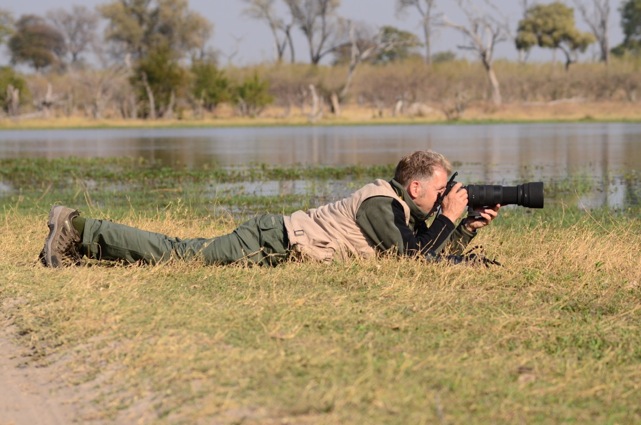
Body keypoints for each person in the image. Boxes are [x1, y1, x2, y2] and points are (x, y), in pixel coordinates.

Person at [39, 150, 500, 268]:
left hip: (275, 240)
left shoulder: (402, 210)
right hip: (271, 241)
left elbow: (424, 250)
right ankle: (80, 228)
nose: (446, 196)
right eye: (441, 189)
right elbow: (414, 258)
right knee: (180, 255)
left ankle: (84, 247)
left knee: (181, 253)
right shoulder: (382, 202)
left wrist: (467, 228)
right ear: (415, 185)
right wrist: (449, 218)